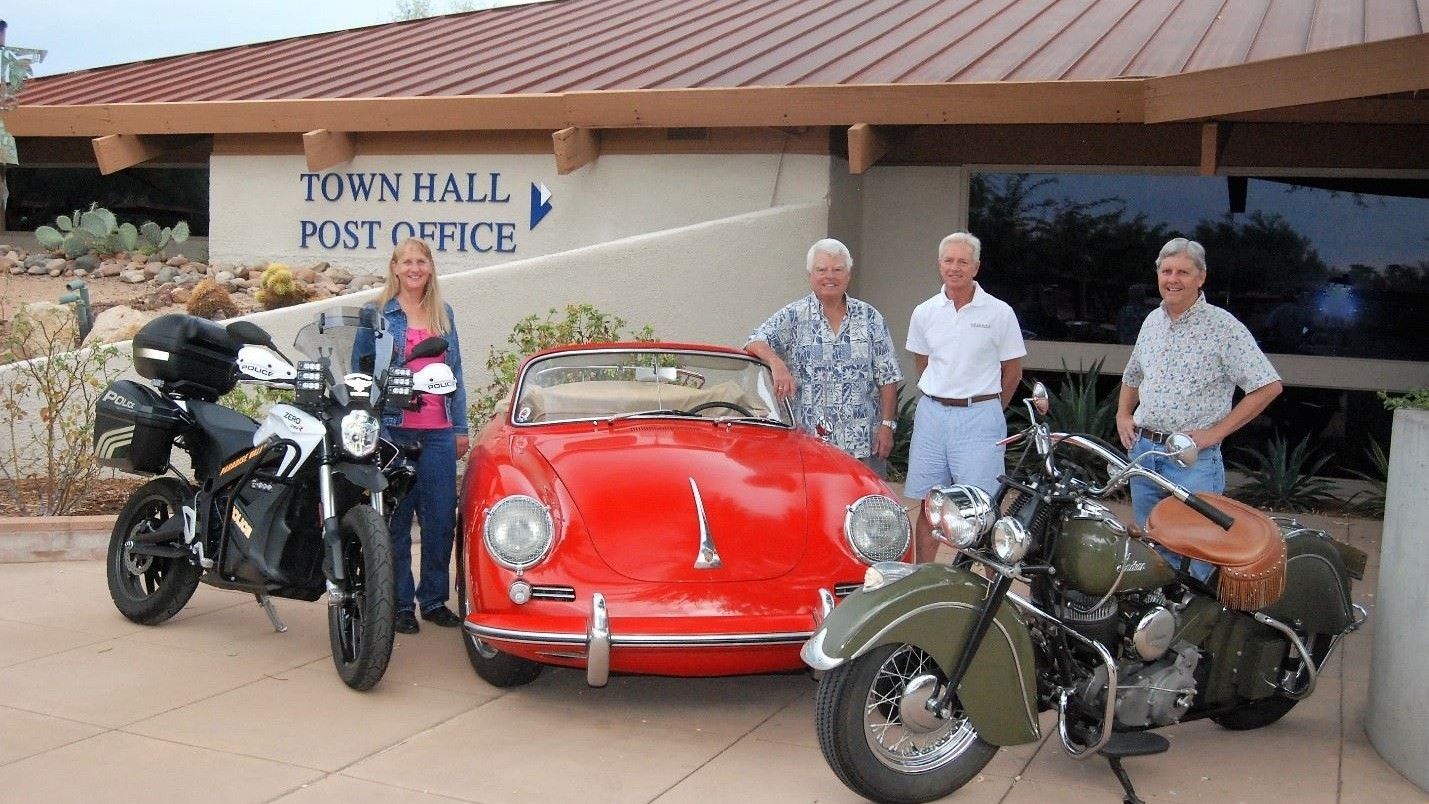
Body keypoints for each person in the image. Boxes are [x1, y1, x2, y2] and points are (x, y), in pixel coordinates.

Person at [1116, 237, 1282, 580]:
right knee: (1152, 548)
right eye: (1166, 271)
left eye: (1183, 272)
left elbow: (1267, 386)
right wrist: (1123, 414)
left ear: (1201, 278)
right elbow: (1132, 375)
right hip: (1144, 454)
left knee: (1194, 555)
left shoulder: (1223, 328)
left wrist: (1215, 433)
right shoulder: (1152, 321)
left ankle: (1191, 629)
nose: (1172, 279)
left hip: (1191, 460)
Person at [369, 238, 470, 634]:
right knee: (396, 521)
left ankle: (433, 600)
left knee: (441, 519)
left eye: (421, 261)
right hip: (394, 432)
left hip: (439, 433)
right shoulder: (377, 314)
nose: (414, 268)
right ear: (394, 268)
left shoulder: (443, 314)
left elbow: (456, 373)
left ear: (431, 267)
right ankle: (399, 605)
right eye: (407, 261)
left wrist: (460, 428)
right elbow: (364, 373)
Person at [905, 232, 1025, 562]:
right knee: (931, 505)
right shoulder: (924, 312)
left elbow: (1013, 372)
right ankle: (922, 581)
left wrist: (988, 410)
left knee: (982, 508)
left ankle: (988, 591)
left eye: (962, 261)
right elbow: (922, 365)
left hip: (980, 419)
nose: (954, 267)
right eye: (948, 261)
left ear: (976, 267)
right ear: (939, 265)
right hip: (932, 417)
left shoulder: (999, 313)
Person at [745, 238, 902, 475]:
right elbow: (754, 340)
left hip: (862, 444)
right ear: (810, 275)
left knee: (865, 509)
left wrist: (887, 426)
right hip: (808, 445)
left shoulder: (871, 318)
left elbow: (887, 376)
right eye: (822, 270)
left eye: (837, 269)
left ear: (848, 274)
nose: (830, 276)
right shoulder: (794, 316)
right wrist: (776, 363)